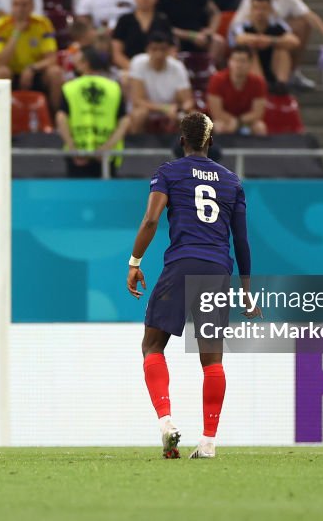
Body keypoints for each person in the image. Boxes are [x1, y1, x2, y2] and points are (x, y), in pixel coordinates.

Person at [127, 111, 254, 460]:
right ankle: (208, 442)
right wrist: (245, 288)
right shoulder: (232, 181)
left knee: (152, 346)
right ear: (211, 142)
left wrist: (135, 262)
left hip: (181, 264)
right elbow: (241, 241)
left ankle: (167, 424)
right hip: (217, 269)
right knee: (212, 360)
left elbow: (152, 219)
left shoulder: (168, 172)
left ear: (182, 140)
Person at [55, 46, 130, 178]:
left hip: (78, 154)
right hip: (106, 155)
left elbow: (61, 118)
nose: (75, 61)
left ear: (86, 62)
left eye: (78, 58)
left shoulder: (70, 87)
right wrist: (107, 147)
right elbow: (124, 120)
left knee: (78, 196)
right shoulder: (113, 87)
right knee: (106, 196)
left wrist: (72, 147)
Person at [0, 0, 62, 107]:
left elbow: (52, 58)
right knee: (3, 72)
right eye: (16, 4)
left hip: (34, 72)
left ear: (32, 7)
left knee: (55, 73)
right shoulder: (0, 25)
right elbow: (1, 60)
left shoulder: (43, 24)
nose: (20, 9)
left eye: (24, 5)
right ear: (11, 7)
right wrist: (17, 33)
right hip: (10, 73)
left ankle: (56, 115)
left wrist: (32, 68)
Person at [229, 0, 300, 94]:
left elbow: (294, 41)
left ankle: (281, 87)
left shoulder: (277, 25)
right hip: (250, 70)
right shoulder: (242, 25)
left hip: (273, 64)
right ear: (251, 9)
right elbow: (240, 39)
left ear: (270, 9)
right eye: (256, 8)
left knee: (282, 49)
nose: (259, 12)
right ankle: (261, 87)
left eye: (263, 9)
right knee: (249, 50)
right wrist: (259, 40)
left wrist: (271, 41)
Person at [127, 32, 194, 133]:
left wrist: (181, 109)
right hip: (148, 110)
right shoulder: (138, 63)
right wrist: (164, 108)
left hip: (171, 110)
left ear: (169, 50)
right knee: (139, 114)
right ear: (147, 50)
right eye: (154, 49)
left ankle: (185, 147)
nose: (159, 54)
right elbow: (137, 100)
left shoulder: (178, 67)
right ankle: (135, 147)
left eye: (162, 49)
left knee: (193, 118)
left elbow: (188, 100)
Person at [111, 0, 172, 71]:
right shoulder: (124, 20)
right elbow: (116, 52)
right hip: (130, 69)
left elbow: (171, 49)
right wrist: (135, 70)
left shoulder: (163, 20)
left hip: (158, 69)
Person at [206, 46, 267, 135]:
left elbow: (257, 113)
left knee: (260, 127)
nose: (238, 65)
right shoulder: (217, 80)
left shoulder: (258, 82)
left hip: (246, 121)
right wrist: (231, 120)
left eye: (243, 61)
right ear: (229, 62)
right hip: (223, 120)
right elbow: (216, 112)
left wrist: (238, 122)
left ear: (250, 63)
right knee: (220, 127)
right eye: (235, 60)